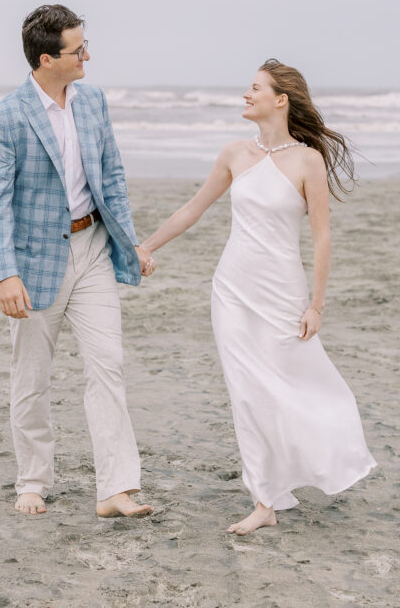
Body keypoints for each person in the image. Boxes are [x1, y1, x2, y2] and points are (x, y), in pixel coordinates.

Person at [141, 59, 376, 534]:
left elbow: (322, 238)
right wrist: (146, 245)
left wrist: (317, 305)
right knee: (245, 392)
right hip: (232, 289)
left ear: (280, 99)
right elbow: (193, 208)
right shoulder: (234, 153)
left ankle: (317, 459)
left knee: (297, 383)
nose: (245, 95)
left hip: (283, 292)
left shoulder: (308, 161)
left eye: (255, 89)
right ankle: (263, 500)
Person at [0, 4, 156, 518]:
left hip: (94, 248)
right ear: (47, 58)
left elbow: (112, 178)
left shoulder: (93, 102)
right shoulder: (6, 117)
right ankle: (32, 480)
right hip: (33, 263)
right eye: (78, 50)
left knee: (109, 366)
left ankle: (114, 490)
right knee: (31, 376)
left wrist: (132, 242)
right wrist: (5, 273)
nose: (88, 57)